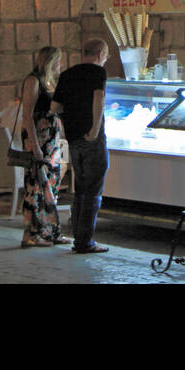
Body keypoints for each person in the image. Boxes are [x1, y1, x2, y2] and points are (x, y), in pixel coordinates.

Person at [51, 38, 110, 255]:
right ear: (100, 54)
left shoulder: (67, 74)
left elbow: (55, 106)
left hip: (73, 139)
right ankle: (85, 242)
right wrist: (94, 130)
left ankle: (78, 236)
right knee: (93, 190)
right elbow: (99, 98)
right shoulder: (98, 73)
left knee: (80, 189)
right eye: (106, 56)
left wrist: (68, 125)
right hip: (91, 138)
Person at [18, 45, 66, 249]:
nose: (60, 65)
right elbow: (27, 114)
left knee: (51, 186)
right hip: (38, 139)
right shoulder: (33, 80)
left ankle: (50, 231)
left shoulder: (49, 82)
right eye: (58, 61)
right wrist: (35, 145)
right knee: (35, 185)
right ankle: (30, 233)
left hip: (51, 141)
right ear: (51, 61)